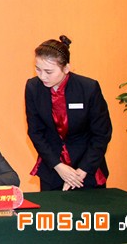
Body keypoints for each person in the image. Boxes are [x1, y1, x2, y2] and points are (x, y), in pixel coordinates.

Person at [25, 36, 112, 191]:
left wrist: (81, 171)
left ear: (66, 68)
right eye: (38, 69)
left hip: (87, 169)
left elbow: (101, 134)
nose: (42, 76)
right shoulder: (33, 88)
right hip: (53, 168)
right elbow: (35, 132)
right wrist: (58, 166)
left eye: (48, 71)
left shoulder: (88, 88)